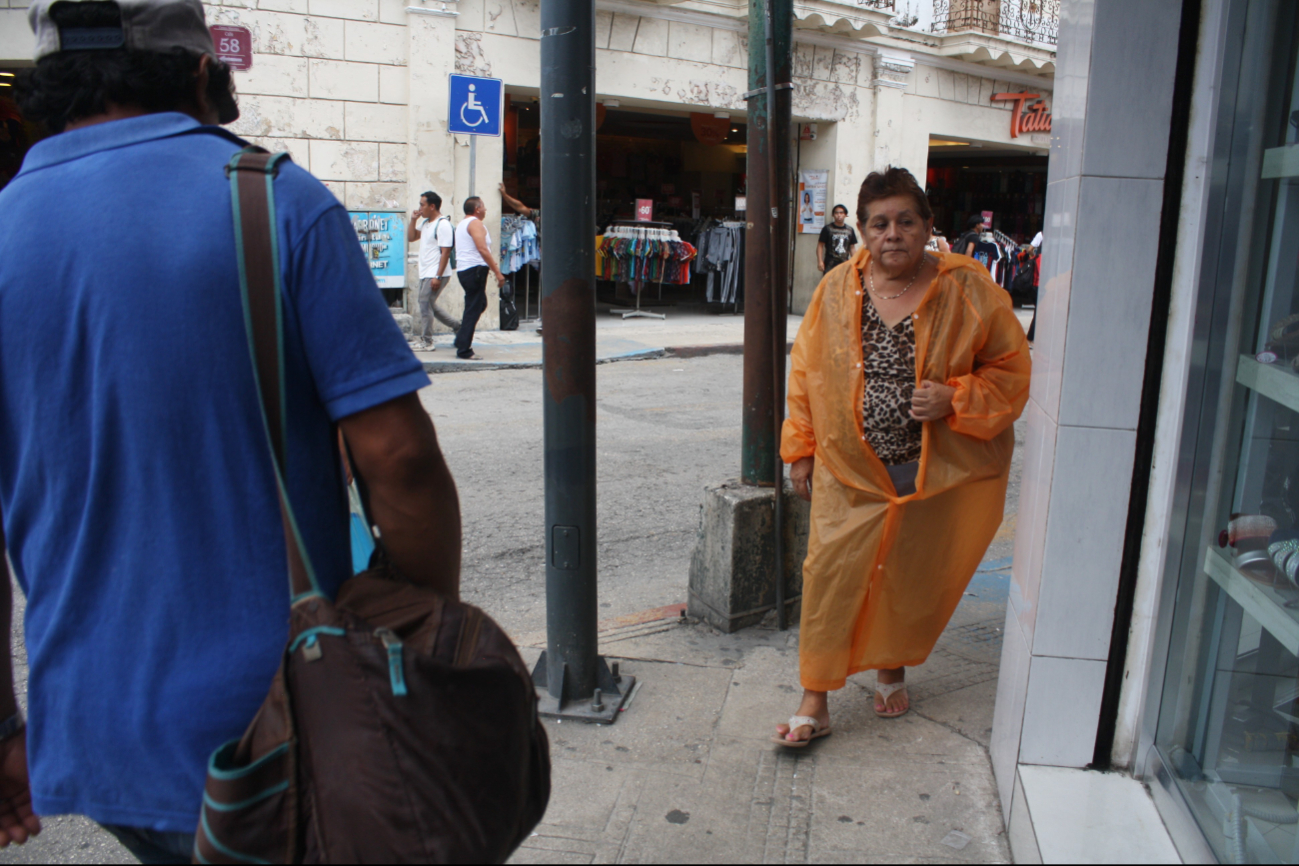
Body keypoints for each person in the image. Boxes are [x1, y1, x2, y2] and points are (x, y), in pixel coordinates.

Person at [0, 1, 463, 861]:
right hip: (281, 722)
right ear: (201, 71)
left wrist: (1, 725)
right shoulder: (277, 202)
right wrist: (426, 650)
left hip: (93, 731)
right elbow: (398, 460)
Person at [774, 166, 1030, 746]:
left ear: (928, 226)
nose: (893, 233)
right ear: (862, 231)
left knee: (907, 573)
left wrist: (954, 397)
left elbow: (1011, 370)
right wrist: (801, 451)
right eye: (880, 223)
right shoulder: (837, 288)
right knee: (830, 575)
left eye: (906, 221)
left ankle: (891, 666)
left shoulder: (969, 289)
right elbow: (806, 372)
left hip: (931, 468)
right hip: (848, 464)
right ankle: (816, 697)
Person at [406, 189, 459, 350]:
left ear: (432, 206)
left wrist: (438, 275)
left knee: (424, 304)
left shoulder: (443, 225)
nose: (420, 208)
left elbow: (446, 252)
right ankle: (458, 326)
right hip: (426, 271)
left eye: (422, 205)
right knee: (428, 304)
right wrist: (413, 220)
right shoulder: (426, 223)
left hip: (436, 272)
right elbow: (411, 237)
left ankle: (427, 341)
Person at [453, 195, 505, 360]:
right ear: (477, 209)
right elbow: (482, 249)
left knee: (480, 303)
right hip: (474, 270)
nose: (485, 210)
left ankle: (461, 338)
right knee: (473, 308)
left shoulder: (462, 224)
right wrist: (497, 271)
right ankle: (464, 349)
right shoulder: (475, 223)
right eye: (483, 206)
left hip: (466, 270)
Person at [816, 204, 858, 273]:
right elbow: (820, 245)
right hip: (830, 264)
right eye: (836, 213)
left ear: (845, 215)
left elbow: (852, 248)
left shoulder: (850, 230)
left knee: (844, 283)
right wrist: (820, 261)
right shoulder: (827, 229)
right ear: (833, 215)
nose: (839, 215)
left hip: (844, 264)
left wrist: (856, 262)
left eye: (841, 213)